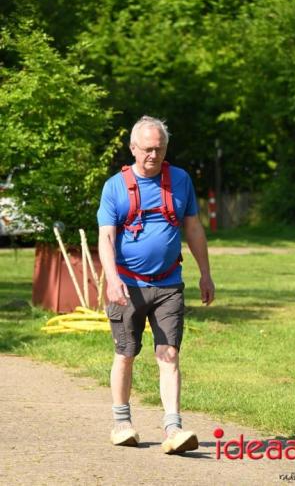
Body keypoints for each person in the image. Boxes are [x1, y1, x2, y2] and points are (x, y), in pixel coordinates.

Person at [97, 116, 215, 454]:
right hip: (127, 286)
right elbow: (106, 237)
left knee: (170, 354)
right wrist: (113, 279)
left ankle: (173, 428)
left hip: (169, 284)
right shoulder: (114, 187)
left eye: (160, 148)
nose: (154, 154)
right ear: (133, 148)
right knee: (125, 353)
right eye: (148, 149)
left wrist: (205, 273)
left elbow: (193, 228)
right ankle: (122, 423)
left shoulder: (180, 180)